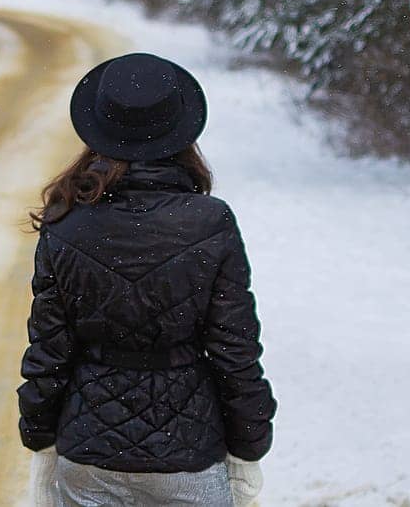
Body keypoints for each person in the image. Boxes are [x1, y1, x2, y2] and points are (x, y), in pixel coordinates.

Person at [18, 52, 276, 507]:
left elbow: (49, 351)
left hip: (89, 455)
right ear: (181, 131)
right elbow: (234, 348)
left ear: (99, 129)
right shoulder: (211, 222)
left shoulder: (67, 222)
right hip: (189, 452)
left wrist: (40, 437)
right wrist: (249, 445)